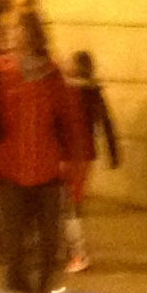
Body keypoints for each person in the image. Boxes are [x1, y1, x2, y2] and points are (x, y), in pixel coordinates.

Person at [0, 2, 87, 293]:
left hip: (48, 173)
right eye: (6, 27)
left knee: (49, 251)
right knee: (13, 253)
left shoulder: (53, 74)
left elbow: (71, 125)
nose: (9, 32)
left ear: (32, 32)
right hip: (7, 174)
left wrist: (75, 174)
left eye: (16, 26)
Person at [63, 49, 117, 275]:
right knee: (73, 202)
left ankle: (78, 253)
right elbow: (106, 123)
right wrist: (113, 152)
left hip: (68, 154)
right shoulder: (93, 90)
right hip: (86, 153)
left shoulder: (69, 91)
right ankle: (73, 251)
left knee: (68, 205)